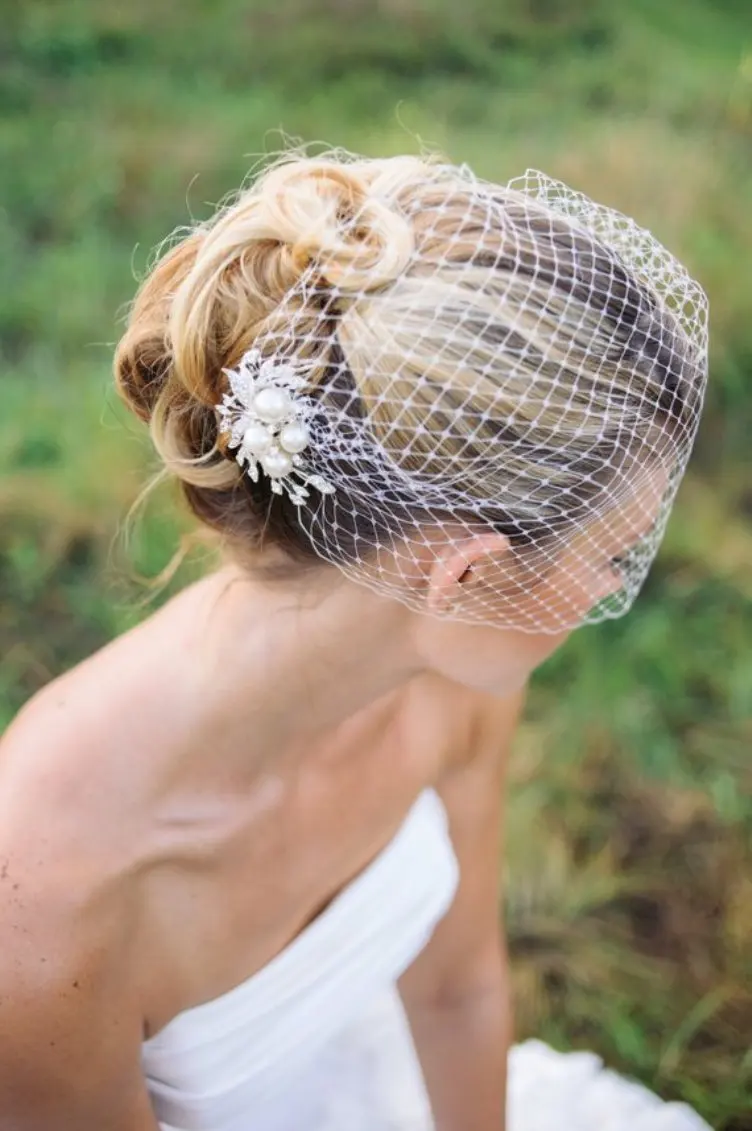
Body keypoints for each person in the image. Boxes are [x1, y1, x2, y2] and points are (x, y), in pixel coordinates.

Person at [0, 150, 711, 1131]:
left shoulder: (451, 675)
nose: (610, 592)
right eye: (615, 552)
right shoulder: (43, 908)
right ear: (461, 576)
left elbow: (456, 988)